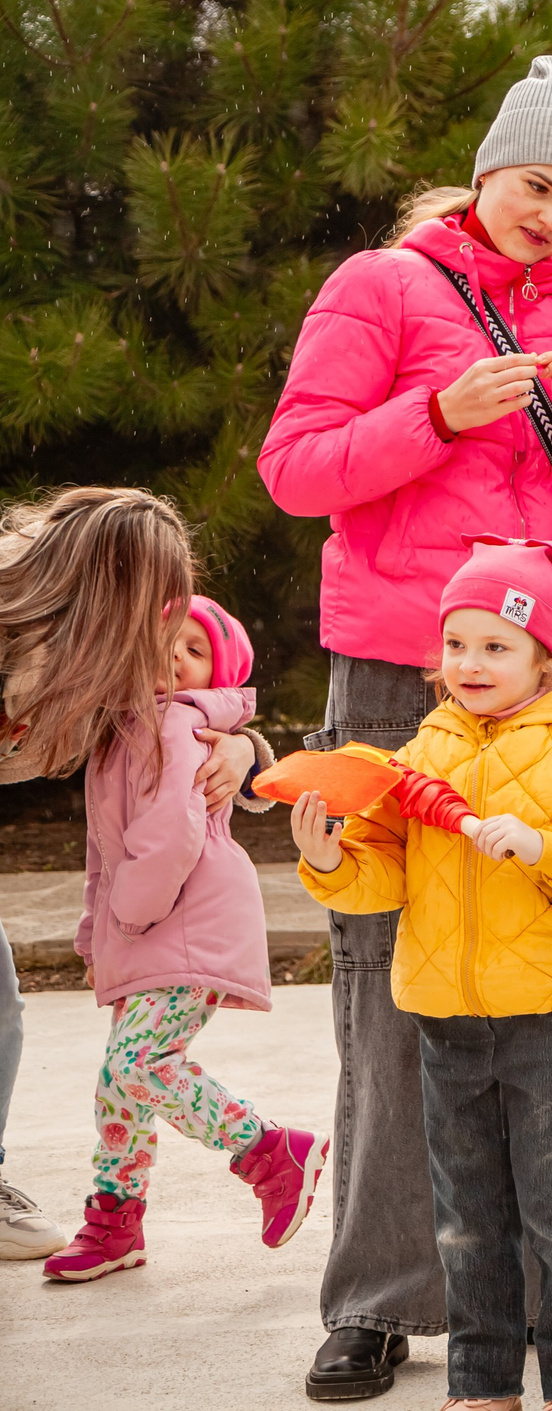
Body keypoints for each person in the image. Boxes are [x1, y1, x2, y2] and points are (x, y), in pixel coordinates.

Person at [258, 55, 552, 1399]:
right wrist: (437, 412)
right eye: (536, 183)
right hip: (401, 663)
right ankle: (380, 1292)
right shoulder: (382, 286)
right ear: (490, 169)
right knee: (387, 972)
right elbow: (296, 466)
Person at [293, 537, 552, 1411]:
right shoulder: (426, 749)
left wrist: (545, 847)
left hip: (550, 1020)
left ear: (545, 657)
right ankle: (482, 1383)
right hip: (446, 1021)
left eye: (496, 645)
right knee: (468, 1219)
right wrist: (331, 863)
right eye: (456, 644)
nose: (470, 662)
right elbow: (388, 868)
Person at [0, 487, 272, 1263]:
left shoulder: (130, 686)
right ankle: (134, 1210)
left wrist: (248, 751)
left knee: (57, 1033)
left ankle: (250, 1160)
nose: (161, 635)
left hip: (168, 929)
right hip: (142, 926)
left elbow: (179, 786)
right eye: (157, 612)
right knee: (118, 1074)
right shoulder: (46, 639)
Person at [42, 596, 324, 1281]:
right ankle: (115, 1218)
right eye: (162, 639)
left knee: (141, 1060)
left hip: (186, 916)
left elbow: (172, 836)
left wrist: (128, 920)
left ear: (215, 674)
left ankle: (268, 1152)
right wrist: (94, 938)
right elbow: (101, 852)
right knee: (121, 1078)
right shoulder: (119, 728)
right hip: (145, 923)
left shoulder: (176, 725)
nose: (173, 654)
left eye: (193, 649)